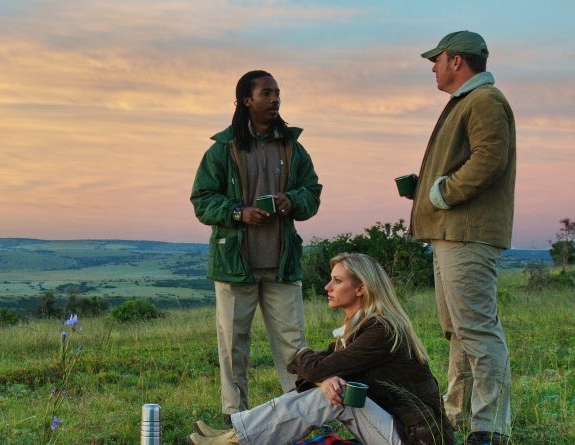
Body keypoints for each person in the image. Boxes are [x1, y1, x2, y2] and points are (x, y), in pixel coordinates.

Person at [187, 253, 455, 445]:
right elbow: (301, 366)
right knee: (334, 389)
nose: (327, 287)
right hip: (397, 430)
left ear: (361, 288)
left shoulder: (381, 331)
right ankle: (237, 435)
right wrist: (323, 377)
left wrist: (322, 375)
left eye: (337, 281)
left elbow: (313, 365)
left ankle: (238, 439)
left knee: (336, 395)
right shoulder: (358, 328)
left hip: (416, 439)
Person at [190, 70, 322, 423]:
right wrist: (238, 212)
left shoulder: (293, 147)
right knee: (233, 347)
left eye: (278, 93)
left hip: (281, 265)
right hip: (235, 266)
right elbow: (201, 200)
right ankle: (236, 417)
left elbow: (312, 194)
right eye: (267, 93)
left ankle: (302, 414)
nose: (275, 99)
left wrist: (290, 201)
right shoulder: (221, 149)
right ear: (246, 100)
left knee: (294, 345)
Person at [411, 30, 515, 445]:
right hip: (451, 232)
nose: (433, 68)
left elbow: (490, 157)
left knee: (477, 330)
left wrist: (442, 191)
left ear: (457, 61)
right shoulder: (468, 102)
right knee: (459, 331)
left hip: (466, 233)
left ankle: (490, 428)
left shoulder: (485, 100)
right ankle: (456, 415)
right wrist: (424, 188)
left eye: (437, 60)